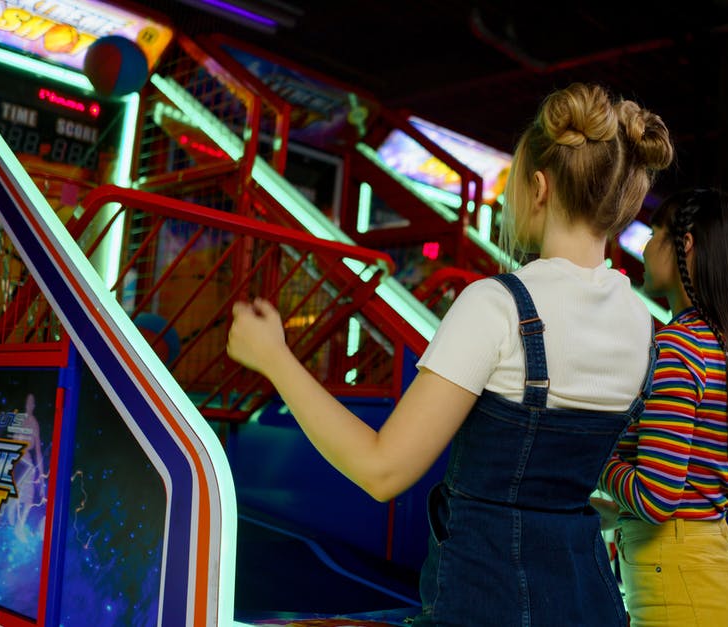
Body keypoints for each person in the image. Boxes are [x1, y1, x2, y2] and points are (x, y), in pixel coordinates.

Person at [228, 82, 674, 626]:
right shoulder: (646, 326)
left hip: (487, 603)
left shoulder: (498, 306)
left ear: (538, 187)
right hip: (591, 603)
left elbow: (382, 469)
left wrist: (274, 357)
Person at [596, 188, 728, 626]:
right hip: (720, 581)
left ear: (684, 245)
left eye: (654, 233)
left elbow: (656, 499)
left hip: (680, 594)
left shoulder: (677, 347)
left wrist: (598, 461)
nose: (646, 247)